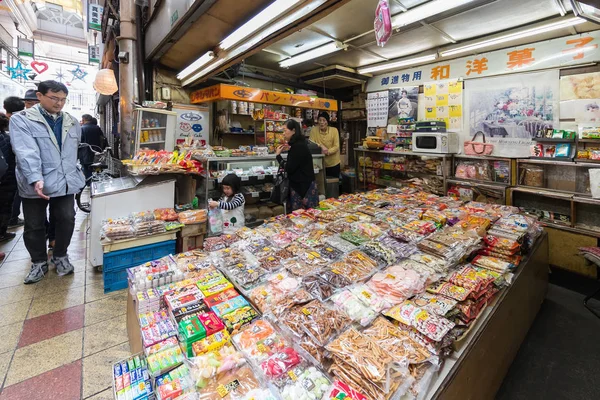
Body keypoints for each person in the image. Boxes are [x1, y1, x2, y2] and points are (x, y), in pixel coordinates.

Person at [10, 80, 85, 284]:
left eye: (63, 99)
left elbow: (73, 151)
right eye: (54, 98)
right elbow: (26, 151)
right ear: (39, 96)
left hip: (64, 180)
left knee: (67, 218)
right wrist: (35, 177)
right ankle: (38, 262)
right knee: (34, 224)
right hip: (35, 182)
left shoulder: (71, 120)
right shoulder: (22, 120)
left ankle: (60, 255)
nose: (59, 103)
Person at [276, 119, 318, 212]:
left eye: (285, 130)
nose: (283, 133)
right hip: (302, 186)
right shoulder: (298, 144)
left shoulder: (298, 146)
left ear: (293, 130)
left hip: (302, 188)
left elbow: (289, 168)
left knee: (303, 218)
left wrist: (278, 156)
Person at [3, 97, 25, 228]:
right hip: (11, 166)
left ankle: (11, 219)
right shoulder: (21, 121)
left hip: (8, 166)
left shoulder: (7, 121)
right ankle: (11, 219)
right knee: (13, 195)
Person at [0, 113, 17, 243]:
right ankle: (2, 232)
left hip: (6, 178)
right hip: (7, 179)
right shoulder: (7, 138)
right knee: (5, 207)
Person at [309, 111, 341, 178]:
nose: (321, 122)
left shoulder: (334, 131)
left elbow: (336, 146)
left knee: (333, 184)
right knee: (320, 185)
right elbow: (311, 144)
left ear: (327, 121)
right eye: (320, 120)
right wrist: (321, 146)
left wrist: (327, 151)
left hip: (333, 163)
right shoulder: (314, 130)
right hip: (319, 164)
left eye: (324, 120)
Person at [79, 114, 106, 180]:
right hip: (97, 152)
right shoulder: (97, 128)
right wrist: (102, 149)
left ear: (83, 120)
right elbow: (103, 139)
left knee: (87, 169)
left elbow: (79, 141)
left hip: (85, 153)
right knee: (97, 168)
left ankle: (89, 183)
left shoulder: (82, 128)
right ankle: (98, 182)